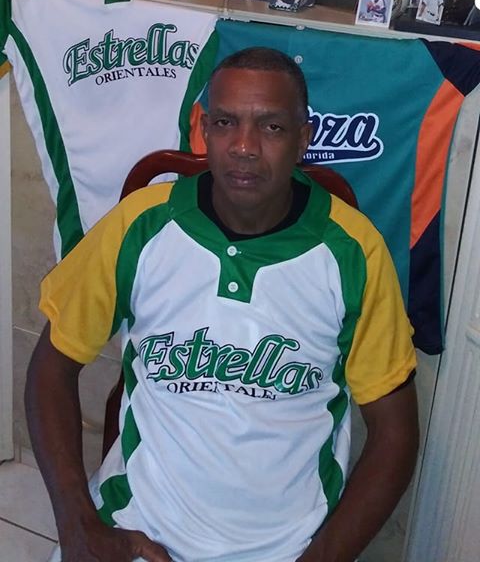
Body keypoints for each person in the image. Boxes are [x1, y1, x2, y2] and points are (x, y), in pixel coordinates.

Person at [25, 46, 418, 562]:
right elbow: (51, 369)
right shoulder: (141, 225)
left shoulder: (354, 252)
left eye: (271, 127)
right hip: (139, 525)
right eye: (226, 123)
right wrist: (77, 523)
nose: (245, 147)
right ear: (203, 130)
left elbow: (395, 435)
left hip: (287, 547)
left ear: (304, 138)